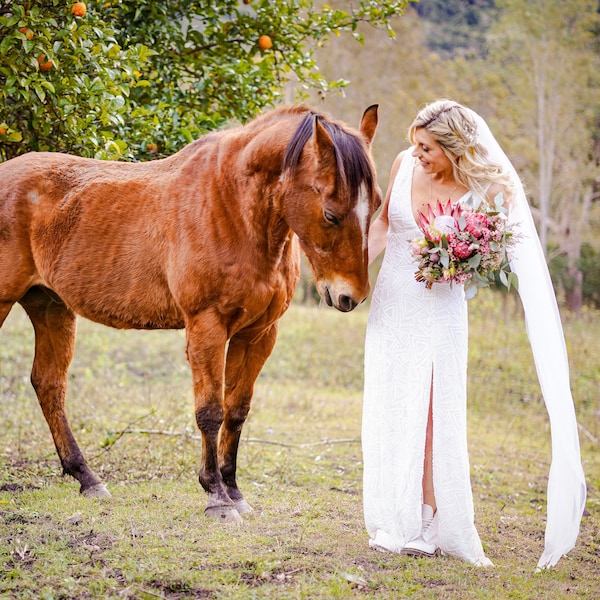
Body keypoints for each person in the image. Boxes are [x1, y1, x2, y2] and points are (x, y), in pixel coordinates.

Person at [361, 99, 587, 569]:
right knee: (391, 401)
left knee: (429, 412)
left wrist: (464, 261)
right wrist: (354, 272)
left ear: (454, 148)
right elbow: (383, 224)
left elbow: (498, 251)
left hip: (441, 308)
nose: (417, 153)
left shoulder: (486, 186)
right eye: (415, 144)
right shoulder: (404, 165)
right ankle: (393, 517)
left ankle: (427, 519)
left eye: (428, 147)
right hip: (393, 299)